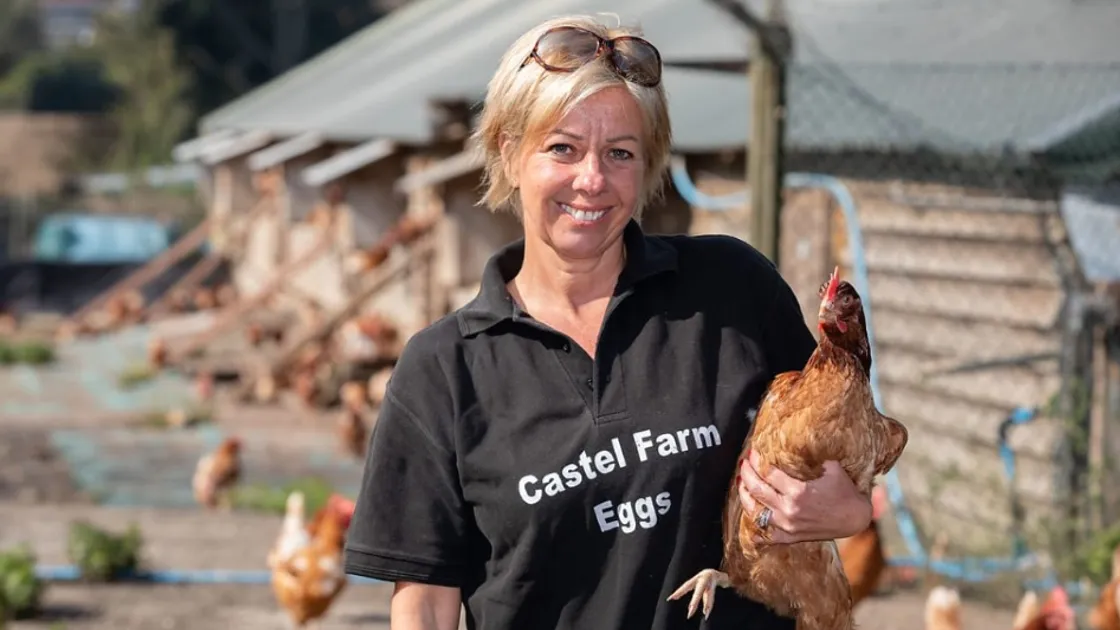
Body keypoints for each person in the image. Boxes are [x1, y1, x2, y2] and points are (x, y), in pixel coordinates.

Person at [343, 13, 873, 630]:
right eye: (562, 148)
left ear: (647, 165)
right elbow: (426, 603)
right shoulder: (445, 369)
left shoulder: (732, 291)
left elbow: (841, 451)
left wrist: (850, 510)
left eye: (619, 153)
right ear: (510, 154)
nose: (592, 180)